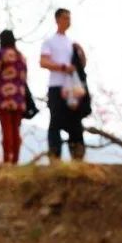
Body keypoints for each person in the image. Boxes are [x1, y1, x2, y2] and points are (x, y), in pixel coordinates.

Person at [40, 8, 85, 161]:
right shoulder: (49, 41)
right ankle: (55, 155)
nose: (68, 21)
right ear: (57, 19)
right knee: (55, 122)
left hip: (72, 88)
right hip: (56, 86)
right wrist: (63, 67)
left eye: (69, 18)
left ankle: (77, 156)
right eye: (65, 18)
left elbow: (81, 65)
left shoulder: (71, 43)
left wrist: (81, 51)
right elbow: (43, 61)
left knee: (75, 123)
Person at [0, 29, 29, 165]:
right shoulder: (21, 56)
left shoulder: (1, 55)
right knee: (15, 130)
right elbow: (25, 78)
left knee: (6, 129)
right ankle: (15, 160)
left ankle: (7, 159)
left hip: (4, 97)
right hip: (19, 98)